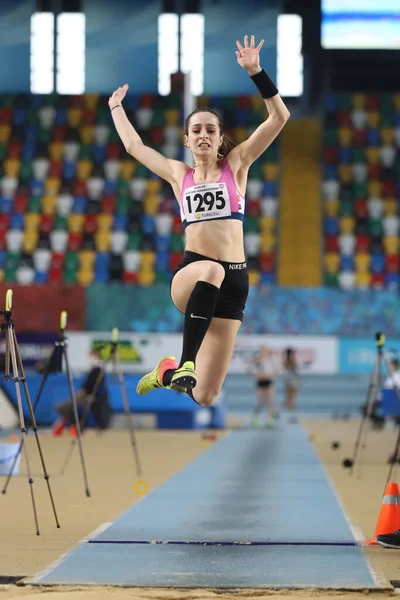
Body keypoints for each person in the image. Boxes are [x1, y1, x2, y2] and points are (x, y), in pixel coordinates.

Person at [109, 35, 290, 408]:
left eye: (211, 129)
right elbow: (134, 148)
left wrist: (256, 73)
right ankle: (187, 360)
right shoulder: (179, 175)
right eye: (197, 130)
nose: (204, 135)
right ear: (187, 141)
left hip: (235, 281)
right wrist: (115, 108)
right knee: (211, 270)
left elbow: (280, 117)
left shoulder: (237, 165)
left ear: (220, 137)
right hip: (193, 275)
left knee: (206, 396)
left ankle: (168, 372)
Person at [52, 350, 112, 436]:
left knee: (69, 407)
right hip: (84, 396)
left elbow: (93, 388)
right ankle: (71, 426)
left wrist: (83, 395)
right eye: (90, 356)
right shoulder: (92, 371)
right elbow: (85, 387)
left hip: (91, 398)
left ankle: (77, 426)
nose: (91, 359)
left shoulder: (99, 371)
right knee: (63, 407)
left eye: (93, 356)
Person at [247, 346, 280, 428]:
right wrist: (257, 375)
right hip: (260, 382)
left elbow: (277, 371)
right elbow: (249, 370)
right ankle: (256, 417)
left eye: (265, 350)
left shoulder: (271, 360)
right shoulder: (256, 360)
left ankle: (269, 419)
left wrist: (270, 375)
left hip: (269, 382)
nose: (263, 352)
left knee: (270, 401)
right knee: (260, 402)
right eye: (262, 350)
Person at [281, 347, 301, 423]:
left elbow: (284, 373)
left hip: (288, 382)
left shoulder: (285, 362)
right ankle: (291, 415)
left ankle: (291, 415)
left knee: (289, 399)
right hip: (293, 382)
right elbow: (296, 372)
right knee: (291, 399)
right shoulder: (293, 362)